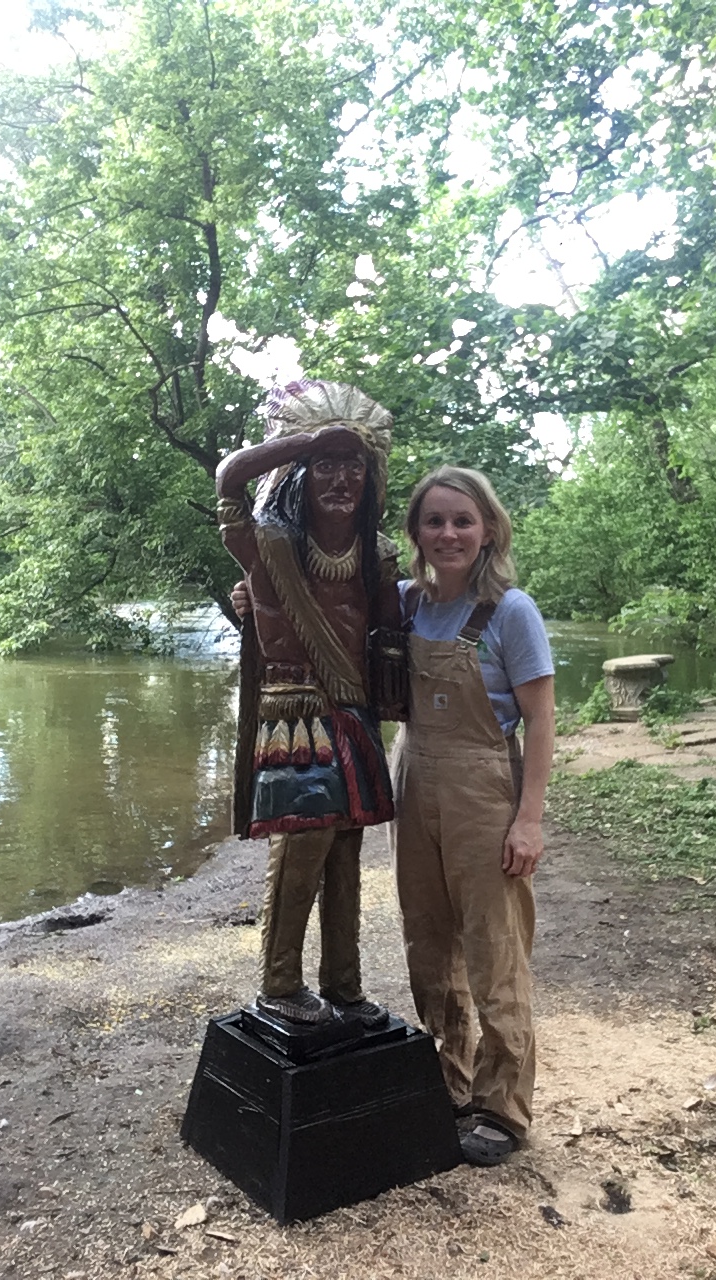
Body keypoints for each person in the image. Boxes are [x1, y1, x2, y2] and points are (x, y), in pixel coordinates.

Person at [216, 380, 404, 1029]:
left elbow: (398, 632)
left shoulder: (378, 557)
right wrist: (304, 440)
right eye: (326, 464)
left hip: (354, 716)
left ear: (370, 477)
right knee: (305, 843)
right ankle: (279, 984)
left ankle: (344, 986)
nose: (340, 478)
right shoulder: (269, 545)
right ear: (301, 472)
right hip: (294, 713)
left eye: (353, 464)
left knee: (347, 849)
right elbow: (228, 482)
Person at [393, 465, 555, 1166]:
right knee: (429, 944)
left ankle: (503, 1109)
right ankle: (450, 1081)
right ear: (417, 534)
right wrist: (255, 596)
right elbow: (318, 614)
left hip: (484, 788)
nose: (449, 533)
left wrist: (529, 819)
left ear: (488, 529)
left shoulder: (511, 612)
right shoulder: (402, 604)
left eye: (463, 520)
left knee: (495, 950)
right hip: (413, 780)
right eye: (435, 521)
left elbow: (543, 721)